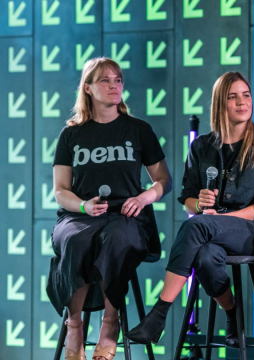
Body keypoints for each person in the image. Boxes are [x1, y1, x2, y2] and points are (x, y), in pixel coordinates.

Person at [125, 72, 254, 346]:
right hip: (210, 234)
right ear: (220, 104)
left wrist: (219, 218)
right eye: (233, 97)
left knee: (197, 226)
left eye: (246, 95)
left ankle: (159, 315)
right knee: (206, 257)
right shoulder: (200, 147)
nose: (242, 102)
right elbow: (186, 198)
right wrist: (199, 204)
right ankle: (233, 313)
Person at [47, 57, 172, 360]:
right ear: (88, 88)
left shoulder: (139, 130)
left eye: (117, 79)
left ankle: (110, 323)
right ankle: (74, 325)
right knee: (75, 240)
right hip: (81, 215)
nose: (114, 85)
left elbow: (164, 181)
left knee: (116, 239)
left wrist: (143, 198)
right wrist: (82, 205)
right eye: (105, 80)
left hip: (125, 215)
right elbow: (60, 191)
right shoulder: (71, 135)